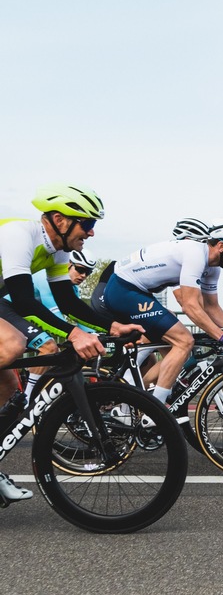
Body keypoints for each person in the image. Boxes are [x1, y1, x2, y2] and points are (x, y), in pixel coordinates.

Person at [0, 183, 136, 505]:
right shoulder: (20, 234)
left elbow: (68, 302)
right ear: (60, 220)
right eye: (87, 224)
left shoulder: (56, 249)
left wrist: (112, 325)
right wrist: (74, 334)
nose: (90, 233)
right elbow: (22, 299)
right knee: (12, 346)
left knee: (10, 394)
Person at [94, 221, 223, 406]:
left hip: (139, 292)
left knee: (178, 351)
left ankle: (130, 394)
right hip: (122, 289)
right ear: (221, 246)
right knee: (184, 341)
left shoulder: (213, 268)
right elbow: (190, 305)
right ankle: (155, 411)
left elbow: (211, 307)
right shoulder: (195, 254)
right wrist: (222, 337)